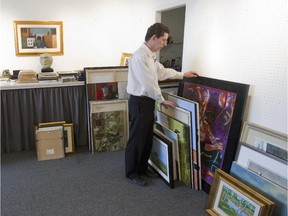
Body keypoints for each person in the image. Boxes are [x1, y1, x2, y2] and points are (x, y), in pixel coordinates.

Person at [125, 22, 198, 186]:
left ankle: (142, 168)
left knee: (146, 137)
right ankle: (131, 172)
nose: (165, 44)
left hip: (148, 101)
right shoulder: (139, 57)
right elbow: (149, 84)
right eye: (163, 40)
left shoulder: (150, 55)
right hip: (140, 102)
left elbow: (162, 71)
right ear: (154, 38)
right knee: (137, 139)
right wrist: (162, 100)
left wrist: (182, 74)